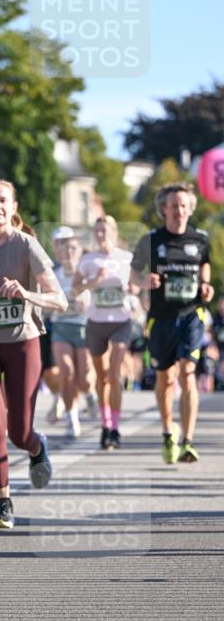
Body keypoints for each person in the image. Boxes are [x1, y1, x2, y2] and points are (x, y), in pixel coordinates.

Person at [0, 179, 67, 530]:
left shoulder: (27, 246)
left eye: (3, 200)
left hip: (23, 341)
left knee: (19, 432)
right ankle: (4, 500)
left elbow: (60, 300)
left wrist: (26, 294)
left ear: (13, 207)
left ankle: (36, 448)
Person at [130, 183, 213, 463]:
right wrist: (145, 281)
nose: (178, 210)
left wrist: (206, 285)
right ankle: (168, 432)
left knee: (188, 372)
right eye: (173, 205)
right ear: (163, 209)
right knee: (165, 379)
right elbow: (133, 275)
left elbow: (205, 264)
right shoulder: (151, 239)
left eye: (183, 206)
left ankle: (188, 440)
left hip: (191, 314)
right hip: (161, 318)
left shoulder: (200, 238)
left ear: (190, 209)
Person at [71, 215, 133, 450]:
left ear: (114, 233)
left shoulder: (126, 259)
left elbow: (137, 283)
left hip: (121, 322)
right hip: (96, 322)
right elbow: (76, 288)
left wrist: (135, 286)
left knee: (114, 375)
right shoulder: (88, 260)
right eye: (97, 231)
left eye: (104, 231)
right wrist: (91, 282)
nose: (100, 235)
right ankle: (105, 425)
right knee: (101, 376)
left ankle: (115, 429)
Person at [50, 227, 98, 439]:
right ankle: (72, 417)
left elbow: (98, 296)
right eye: (64, 248)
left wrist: (87, 301)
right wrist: (54, 305)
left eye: (72, 248)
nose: (68, 252)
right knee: (67, 373)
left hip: (84, 327)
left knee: (85, 377)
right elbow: (45, 300)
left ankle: (90, 394)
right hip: (61, 327)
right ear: (58, 252)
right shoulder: (53, 276)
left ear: (79, 251)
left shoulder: (87, 273)